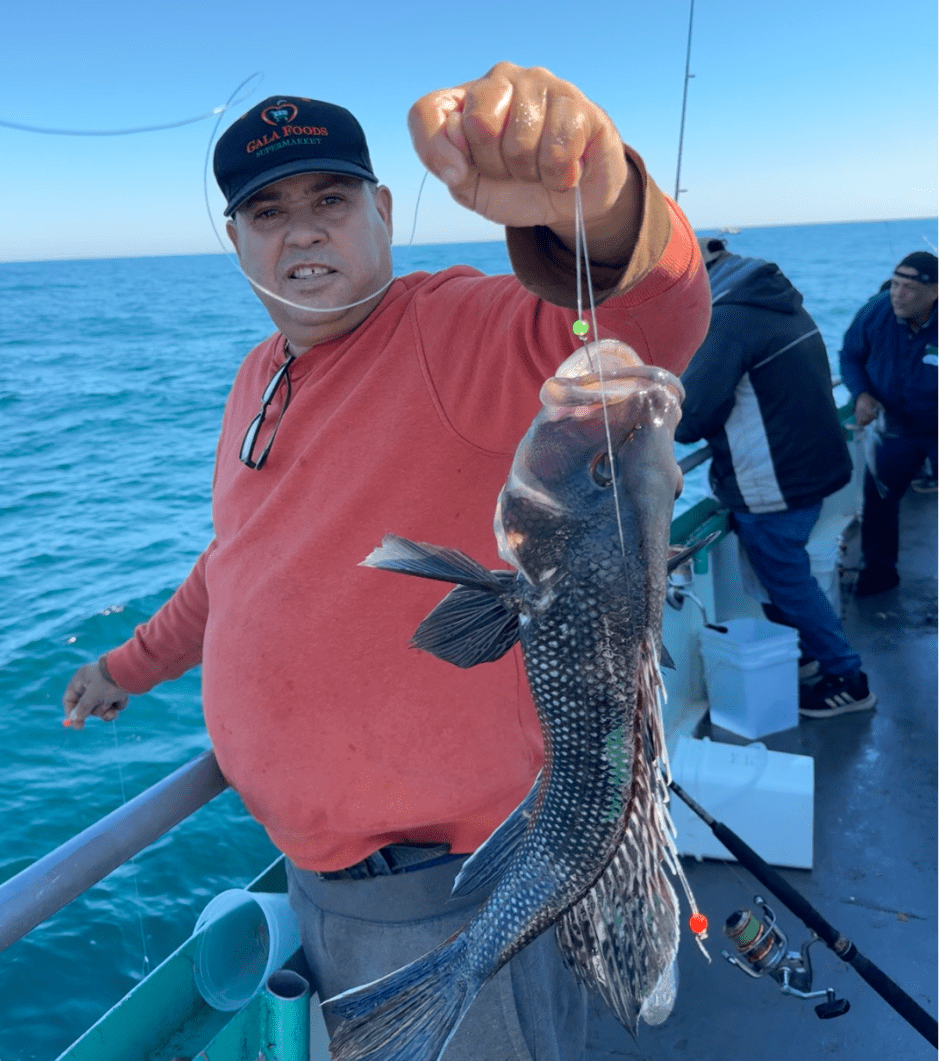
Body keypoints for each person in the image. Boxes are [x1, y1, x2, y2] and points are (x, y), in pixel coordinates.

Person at [62, 64, 710, 1058]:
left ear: (381, 210)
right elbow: (236, 563)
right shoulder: (259, 374)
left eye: (329, 199)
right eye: (267, 210)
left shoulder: (452, 326)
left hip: (451, 885)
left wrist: (602, 201)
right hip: (323, 882)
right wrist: (126, 667)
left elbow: (640, 326)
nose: (302, 228)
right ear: (235, 242)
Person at [675, 236, 875, 719]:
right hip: (813, 467)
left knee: (788, 582)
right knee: (785, 576)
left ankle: (847, 676)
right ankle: (804, 657)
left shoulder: (726, 322)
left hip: (774, 482)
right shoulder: (779, 304)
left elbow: (689, 421)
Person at [840, 252, 938, 596]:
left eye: (908, 287)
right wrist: (861, 394)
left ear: (935, 291)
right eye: (895, 284)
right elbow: (850, 356)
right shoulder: (877, 310)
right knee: (879, 496)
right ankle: (880, 575)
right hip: (896, 424)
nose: (897, 293)